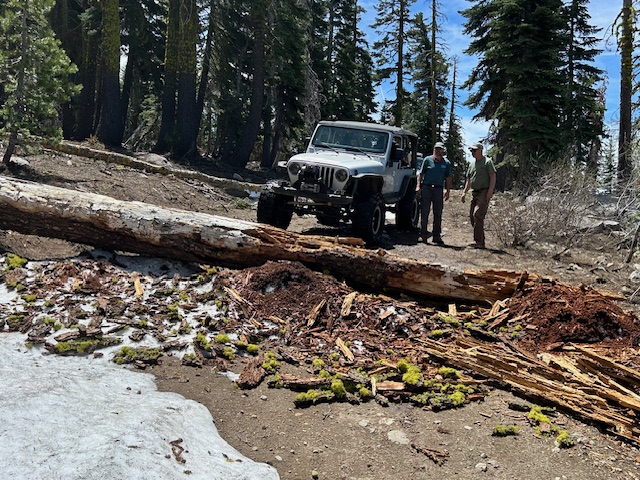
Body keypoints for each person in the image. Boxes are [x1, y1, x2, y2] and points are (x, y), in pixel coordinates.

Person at [460, 142, 496, 249]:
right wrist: (464, 192)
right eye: (471, 151)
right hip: (474, 192)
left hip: (484, 191)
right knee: (472, 216)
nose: (472, 152)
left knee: (478, 215)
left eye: (474, 150)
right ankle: (480, 240)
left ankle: (479, 241)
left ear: (480, 150)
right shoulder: (472, 164)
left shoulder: (487, 162)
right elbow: (469, 180)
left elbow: (493, 176)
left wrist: (490, 191)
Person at [416, 141, 452, 245]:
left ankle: (436, 236)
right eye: (436, 149)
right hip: (427, 188)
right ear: (434, 149)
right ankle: (423, 235)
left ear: (443, 150)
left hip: (438, 189)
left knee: (438, 212)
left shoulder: (446, 163)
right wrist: (418, 186)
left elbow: (448, 177)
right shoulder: (427, 160)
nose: (438, 151)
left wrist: (448, 191)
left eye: (440, 149)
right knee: (424, 211)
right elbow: (421, 174)